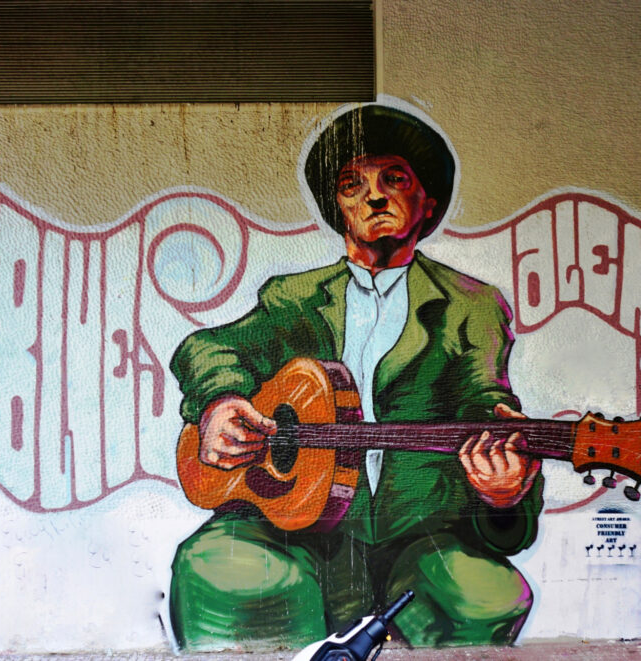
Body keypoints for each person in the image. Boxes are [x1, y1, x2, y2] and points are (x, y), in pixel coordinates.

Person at [168, 104, 544, 650]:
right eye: (352, 184)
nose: (373, 195)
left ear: (428, 201)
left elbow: (488, 405)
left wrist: (503, 496)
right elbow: (206, 348)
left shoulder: (472, 306)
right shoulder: (290, 299)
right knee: (216, 570)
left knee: (484, 596)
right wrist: (217, 404)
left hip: (418, 537)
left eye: (394, 179)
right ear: (338, 209)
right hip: (287, 528)